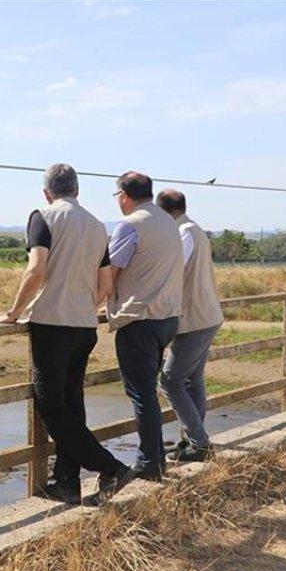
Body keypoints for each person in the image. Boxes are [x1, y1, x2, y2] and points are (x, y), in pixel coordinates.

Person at [0, 163, 133, 505]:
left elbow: (36, 269)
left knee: (51, 406)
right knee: (72, 405)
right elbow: (106, 284)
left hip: (52, 325)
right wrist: (87, 303)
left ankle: (112, 467)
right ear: (78, 190)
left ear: (47, 193)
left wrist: (14, 313)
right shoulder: (98, 226)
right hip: (85, 326)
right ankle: (67, 483)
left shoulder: (43, 216)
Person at [103, 171, 184, 490]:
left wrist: (95, 301)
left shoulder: (130, 225)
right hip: (167, 317)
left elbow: (111, 272)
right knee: (147, 389)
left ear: (124, 194)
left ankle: (150, 462)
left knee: (141, 392)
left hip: (140, 319)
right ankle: (156, 458)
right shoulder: (168, 223)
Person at [156, 189, 223, 462]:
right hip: (208, 316)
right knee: (192, 380)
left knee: (169, 381)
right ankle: (193, 440)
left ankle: (200, 443)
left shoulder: (182, 233)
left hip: (194, 318)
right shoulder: (196, 230)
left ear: (162, 212)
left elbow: (173, 270)